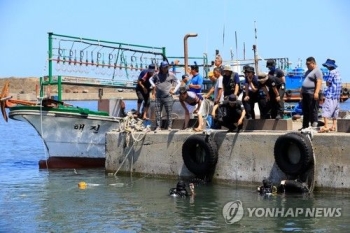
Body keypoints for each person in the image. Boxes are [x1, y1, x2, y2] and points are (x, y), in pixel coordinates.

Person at [150, 61, 180, 132]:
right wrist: (154, 85)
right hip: (158, 97)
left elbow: (178, 82)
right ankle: (158, 127)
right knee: (158, 112)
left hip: (168, 96)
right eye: (164, 67)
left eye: (167, 67)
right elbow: (150, 79)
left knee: (169, 112)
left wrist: (174, 90)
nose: (165, 69)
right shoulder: (156, 74)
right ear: (161, 67)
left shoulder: (171, 75)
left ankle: (169, 126)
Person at [318, 59, 342, 133]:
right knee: (335, 111)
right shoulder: (338, 72)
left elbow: (328, 82)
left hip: (331, 95)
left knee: (326, 110)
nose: (327, 67)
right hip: (337, 96)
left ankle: (326, 126)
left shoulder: (331, 72)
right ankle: (334, 126)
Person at [300, 57, 323, 129]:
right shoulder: (308, 71)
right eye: (306, 64)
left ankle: (314, 125)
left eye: (308, 64)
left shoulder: (317, 71)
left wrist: (316, 93)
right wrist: (301, 91)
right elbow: (304, 81)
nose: (307, 65)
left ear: (313, 63)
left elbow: (319, 82)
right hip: (305, 93)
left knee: (313, 109)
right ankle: (305, 126)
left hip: (312, 93)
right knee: (305, 110)